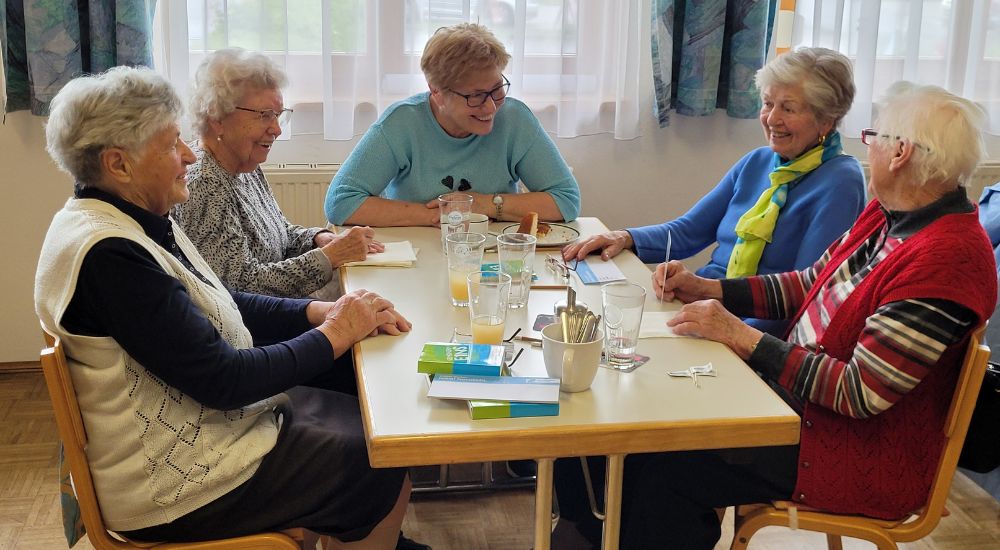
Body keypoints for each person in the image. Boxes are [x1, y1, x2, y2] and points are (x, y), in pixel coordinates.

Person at [567, 82, 997, 549]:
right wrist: (710, 289)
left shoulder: (944, 262)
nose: (866, 147)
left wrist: (742, 337)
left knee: (666, 470)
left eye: (874, 136)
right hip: (798, 409)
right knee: (629, 425)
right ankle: (588, 535)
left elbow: (859, 393)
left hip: (844, 447)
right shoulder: (890, 214)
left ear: (900, 153)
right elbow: (809, 283)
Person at [35, 66, 417, 549]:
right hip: (176, 488)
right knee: (374, 455)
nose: (190, 155)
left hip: (204, 437)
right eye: (173, 144)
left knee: (369, 418)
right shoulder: (111, 256)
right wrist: (335, 334)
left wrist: (316, 315)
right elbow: (225, 381)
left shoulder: (127, 220)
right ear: (119, 164)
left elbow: (216, 300)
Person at [562, 47, 866, 337]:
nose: (772, 119)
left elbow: (805, 295)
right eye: (767, 103)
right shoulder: (758, 162)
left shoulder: (841, 181)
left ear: (826, 119)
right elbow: (688, 232)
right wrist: (624, 237)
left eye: (788, 108)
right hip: (705, 307)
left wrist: (734, 337)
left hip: (751, 331)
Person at [324, 22, 581, 227]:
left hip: (491, 257)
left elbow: (566, 200)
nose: (491, 107)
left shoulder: (515, 119)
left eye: (497, 89)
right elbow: (340, 203)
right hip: (417, 254)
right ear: (437, 92)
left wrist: (483, 204)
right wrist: (442, 214)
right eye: (476, 96)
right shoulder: (402, 123)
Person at [173, 48, 380, 301]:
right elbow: (241, 288)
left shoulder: (243, 164)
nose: (276, 129)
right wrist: (329, 257)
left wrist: (320, 239)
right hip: (260, 328)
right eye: (265, 116)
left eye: (279, 115)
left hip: (288, 307)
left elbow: (280, 235)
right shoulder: (205, 184)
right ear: (217, 117)